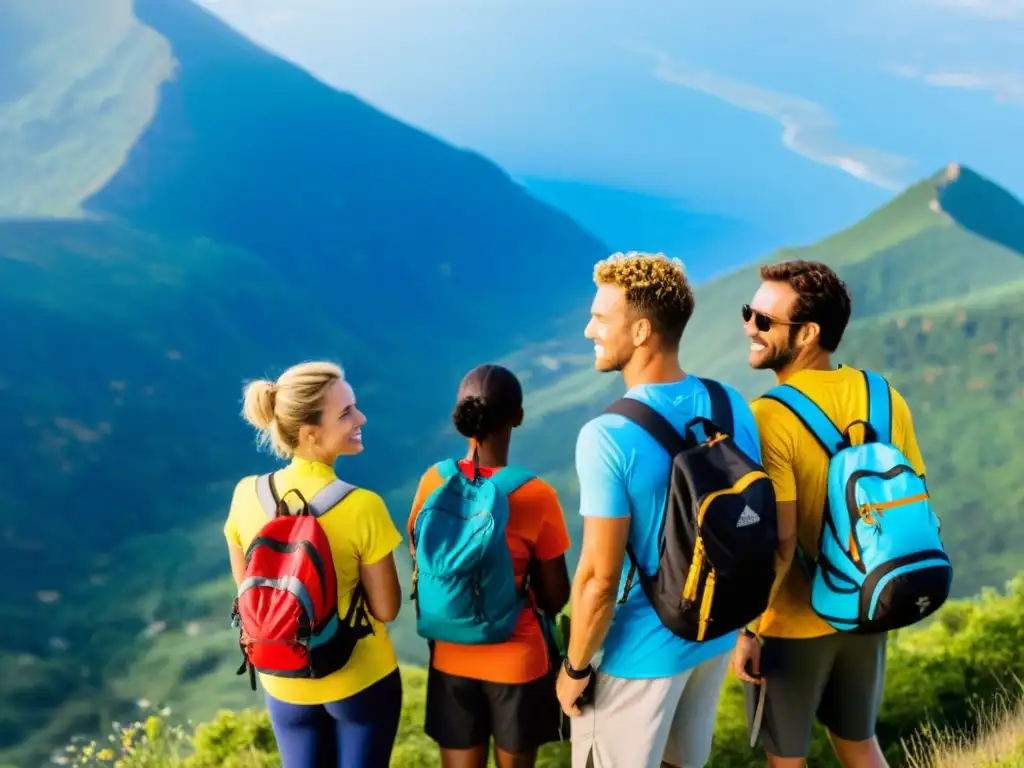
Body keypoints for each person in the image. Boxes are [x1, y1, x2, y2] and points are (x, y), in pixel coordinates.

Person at [557, 252, 763, 768]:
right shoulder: (730, 403)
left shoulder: (608, 436)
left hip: (638, 656)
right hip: (709, 634)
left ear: (642, 330)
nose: (589, 330)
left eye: (601, 318)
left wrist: (575, 668)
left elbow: (598, 581)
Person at [732, 260, 927, 768]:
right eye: (749, 312)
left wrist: (748, 629)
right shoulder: (883, 396)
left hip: (793, 624)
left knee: (785, 759)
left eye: (763, 320)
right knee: (860, 746)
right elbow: (918, 499)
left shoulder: (768, 416)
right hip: (869, 603)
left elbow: (782, 541)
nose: (750, 326)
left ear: (808, 333)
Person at [224, 360, 404, 767]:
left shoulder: (245, 494)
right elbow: (386, 609)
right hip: (360, 679)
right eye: (345, 413)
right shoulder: (362, 506)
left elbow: (248, 592)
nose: (360, 417)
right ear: (309, 434)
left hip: (283, 680)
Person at [408, 363, 572, 768]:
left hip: (449, 655)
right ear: (517, 416)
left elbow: (421, 557)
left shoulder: (435, 481)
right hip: (516, 660)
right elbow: (555, 596)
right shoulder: (536, 495)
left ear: (462, 417)